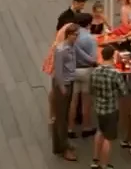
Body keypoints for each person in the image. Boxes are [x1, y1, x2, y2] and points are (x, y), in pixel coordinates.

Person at [90, 45, 128, 169]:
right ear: (113, 56)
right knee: (108, 138)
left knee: (99, 131)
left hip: (99, 108)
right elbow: (124, 91)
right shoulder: (115, 73)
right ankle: (104, 164)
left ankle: (95, 160)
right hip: (111, 109)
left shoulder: (95, 71)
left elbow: (91, 90)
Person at [52, 23, 79, 161]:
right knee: (61, 118)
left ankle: (60, 144)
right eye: (75, 35)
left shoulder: (72, 47)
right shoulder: (61, 49)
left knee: (64, 115)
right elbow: (58, 71)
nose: (77, 37)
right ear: (68, 35)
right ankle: (63, 148)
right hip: (63, 85)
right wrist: (62, 88)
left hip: (70, 81)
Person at [68, 13, 98, 138]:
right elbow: (92, 58)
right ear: (89, 24)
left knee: (73, 101)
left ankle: (70, 128)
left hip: (73, 70)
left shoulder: (71, 36)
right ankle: (86, 127)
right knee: (86, 101)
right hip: (86, 71)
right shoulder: (90, 38)